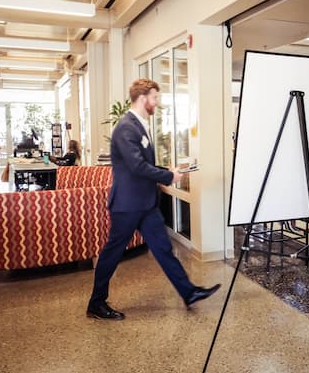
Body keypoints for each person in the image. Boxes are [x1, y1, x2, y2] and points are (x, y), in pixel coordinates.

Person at [87, 78, 220, 320]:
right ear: (143, 98)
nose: (157, 103)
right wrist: (169, 175)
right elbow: (137, 167)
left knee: (163, 249)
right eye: (155, 98)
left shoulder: (138, 125)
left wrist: (166, 170)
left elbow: (143, 164)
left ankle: (188, 292)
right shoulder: (126, 127)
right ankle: (96, 303)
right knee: (112, 253)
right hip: (127, 205)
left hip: (145, 204)